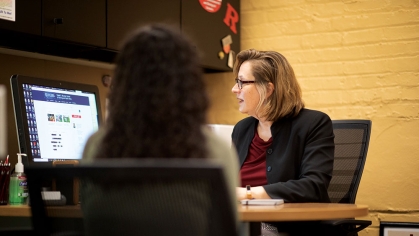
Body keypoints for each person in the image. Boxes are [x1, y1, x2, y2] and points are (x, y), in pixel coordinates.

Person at [81, 24, 239, 235]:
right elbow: (228, 227)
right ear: (190, 86)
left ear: (122, 82)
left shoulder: (96, 144)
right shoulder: (215, 150)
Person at [231, 49, 335, 234]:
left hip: (289, 229)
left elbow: (314, 185)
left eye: (242, 82)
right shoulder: (242, 129)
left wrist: (247, 193)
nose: (234, 89)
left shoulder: (314, 124)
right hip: (244, 224)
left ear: (268, 89)